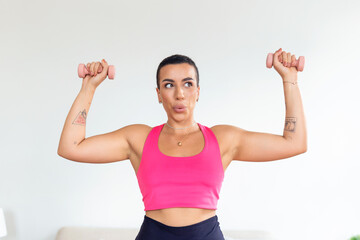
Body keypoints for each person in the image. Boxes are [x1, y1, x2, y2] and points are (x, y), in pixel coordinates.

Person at [57, 48, 307, 240]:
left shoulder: (223, 139)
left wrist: (290, 80)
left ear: (198, 91)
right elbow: (71, 146)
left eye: (188, 84)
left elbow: (294, 143)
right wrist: (88, 88)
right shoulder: (138, 139)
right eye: (169, 85)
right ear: (158, 94)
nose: (179, 94)